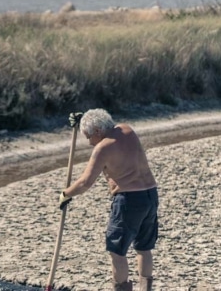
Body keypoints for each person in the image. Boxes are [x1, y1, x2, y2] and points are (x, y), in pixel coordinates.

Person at [57, 109, 159, 291]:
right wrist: (82, 121)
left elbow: (85, 182)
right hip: (150, 195)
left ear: (97, 131)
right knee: (143, 247)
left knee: (116, 250)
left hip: (129, 200)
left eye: (88, 136)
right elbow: (103, 121)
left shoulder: (102, 148)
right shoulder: (127, 130)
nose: (89, 143)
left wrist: (65, 194)